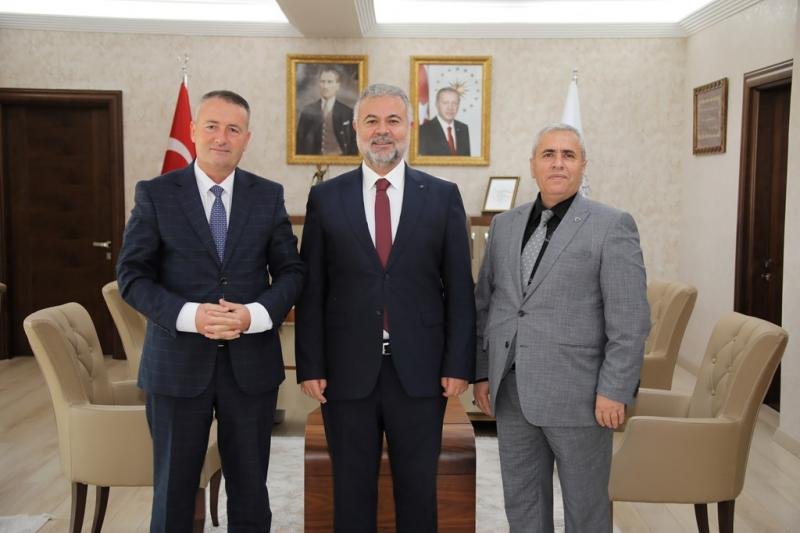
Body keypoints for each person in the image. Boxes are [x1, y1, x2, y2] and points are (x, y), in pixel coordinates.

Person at [117, 90, 304, 532]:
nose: (222, 137)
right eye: (213, 126)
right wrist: (190, 316)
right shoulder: (156, 194)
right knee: (173, 493)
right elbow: (132, 276)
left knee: (251, 492)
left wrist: (255, 315)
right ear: (193, 131)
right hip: (176, 367)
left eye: (233, 129)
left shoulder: (267, 196)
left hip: (250, 368)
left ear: (246, 138)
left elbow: (292, 272)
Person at [295, 83, 476, 532]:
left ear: (409, 127)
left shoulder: (442, 196)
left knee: (418, 492)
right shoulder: (326, 198)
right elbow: (312, 289)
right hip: (345, 372)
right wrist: (310, 365)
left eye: (393, 121)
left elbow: (459, 288)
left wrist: (458, 364)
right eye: (371, 121)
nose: (382, 131)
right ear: (355, 128)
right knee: (350, 493)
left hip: (420, 373)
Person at [473, 123, 650, 532]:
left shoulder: (612, 225)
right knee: (523, 506)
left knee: (585, 512)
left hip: (580, 397)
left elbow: (630, 318)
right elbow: (487, 304)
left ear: (583, 165)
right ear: (532, 165)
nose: (558, 163)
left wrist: (615, 389)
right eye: (548, 154)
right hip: (512, 391)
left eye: (568, 155)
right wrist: (482, 373)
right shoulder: (505, 225)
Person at [295, 67, 357, 156]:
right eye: (322, 82)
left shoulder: (347, 112)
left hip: (341, 159)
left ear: (337, 86)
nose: (325, 86)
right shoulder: (307, 111)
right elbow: (299, 142)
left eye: (329, 82)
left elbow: (355, 144)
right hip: (313, 160)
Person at [418, 87, 471, 156]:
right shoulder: (423, 130)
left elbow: (467, 160)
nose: (450, 107)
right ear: (437, 104)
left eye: (454, 103)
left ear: (458, 106)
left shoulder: (463, 128)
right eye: (445, 103)